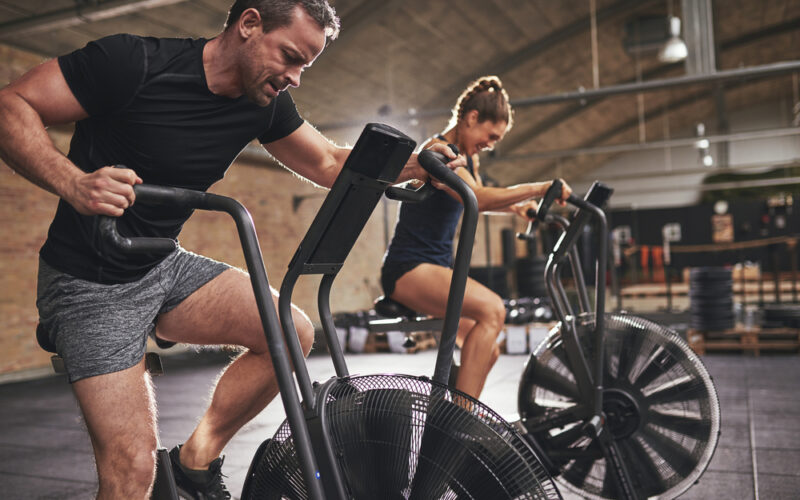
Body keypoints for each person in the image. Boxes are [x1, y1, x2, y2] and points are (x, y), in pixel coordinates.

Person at [0, 1, 463, 498]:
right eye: (289, 57)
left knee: (290, 332)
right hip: (88, 285)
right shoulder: (132, 62)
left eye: (305, 65)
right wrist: (72, 182)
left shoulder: (262, 102)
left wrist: (416, 163)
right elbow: (11, 106)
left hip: (161, 264)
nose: (295, 77)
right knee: (132, 470)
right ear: (248, 24)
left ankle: (194, 461)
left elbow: (329, 161)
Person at [381, 76, 571, 399]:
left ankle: (450, 413)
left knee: (488, 351)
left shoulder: (469, 159)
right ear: (471, 118)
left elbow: (471, 202)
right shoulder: (437, 152)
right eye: (490, 135)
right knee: (493, 310)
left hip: (435, 267)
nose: (491, 143)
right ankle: (459, 422)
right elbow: (479, 197)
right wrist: (540, 187)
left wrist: (516, 209)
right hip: (409, 267)